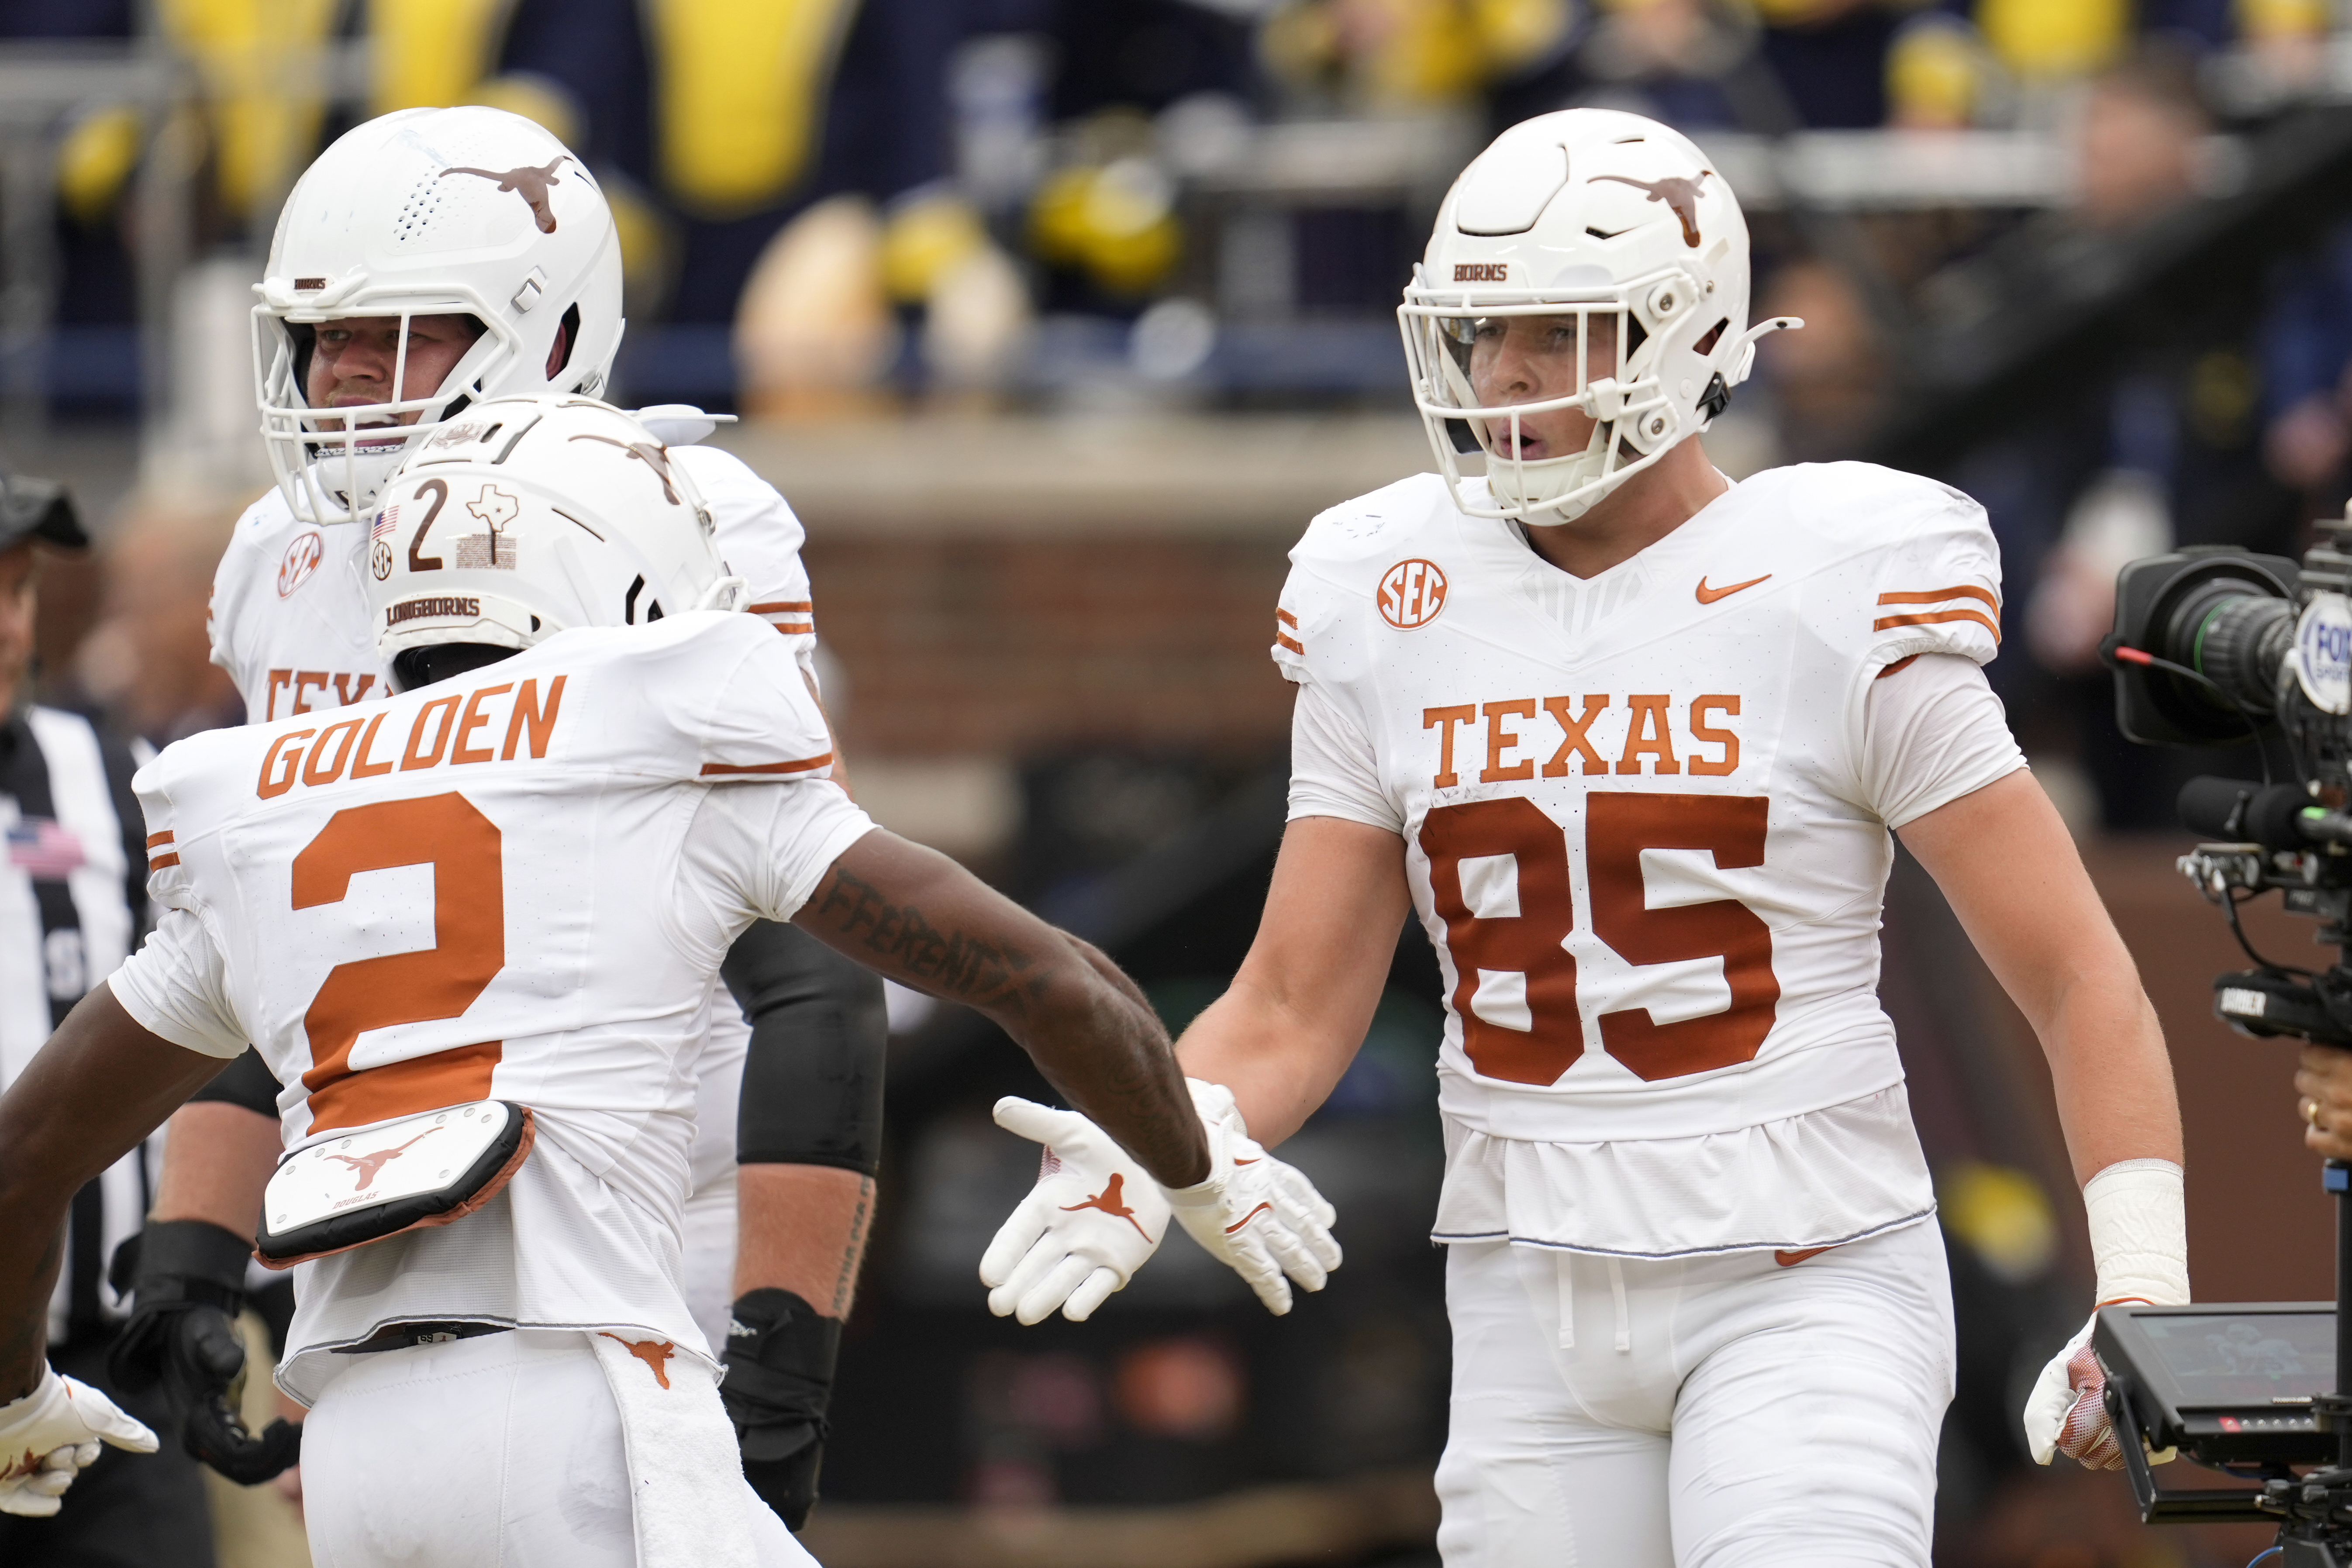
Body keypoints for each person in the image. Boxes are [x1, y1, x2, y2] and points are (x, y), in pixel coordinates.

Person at [977, 107, 2190, 1564]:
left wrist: (2140, 1288)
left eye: (1552, 334)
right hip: (1527, 1295)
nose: (1501, 379)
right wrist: (1146, 1146)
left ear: (1680, 336)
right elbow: (1292, 1006)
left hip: (1799, 1278)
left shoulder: (1826, 583)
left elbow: (2072, 973)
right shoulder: (1390, 592)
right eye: (1481, 338)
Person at [0, 395, 1303, 1563]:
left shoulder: (260, 795)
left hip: (352, 1449)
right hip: (584, 1405)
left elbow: (27, 1157)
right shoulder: (664, 736)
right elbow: (1047, 982)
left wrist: (18, 1393)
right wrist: (1188, 1163)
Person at [115, 103, 885, 1525]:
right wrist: (194, 1246)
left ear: (542, 333)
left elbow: (806, 953)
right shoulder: (274, 559)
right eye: (321, 336)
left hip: (661, 1189)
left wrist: (781, 1355)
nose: (342, 373)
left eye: (396, 332)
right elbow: (261, 953)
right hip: (389, 1205)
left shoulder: (672, 509)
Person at [0, 472, 210, 1560]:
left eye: (21, 588)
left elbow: (219, 1039)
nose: (9, 624)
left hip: (109, 1364)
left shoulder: (112, 777)